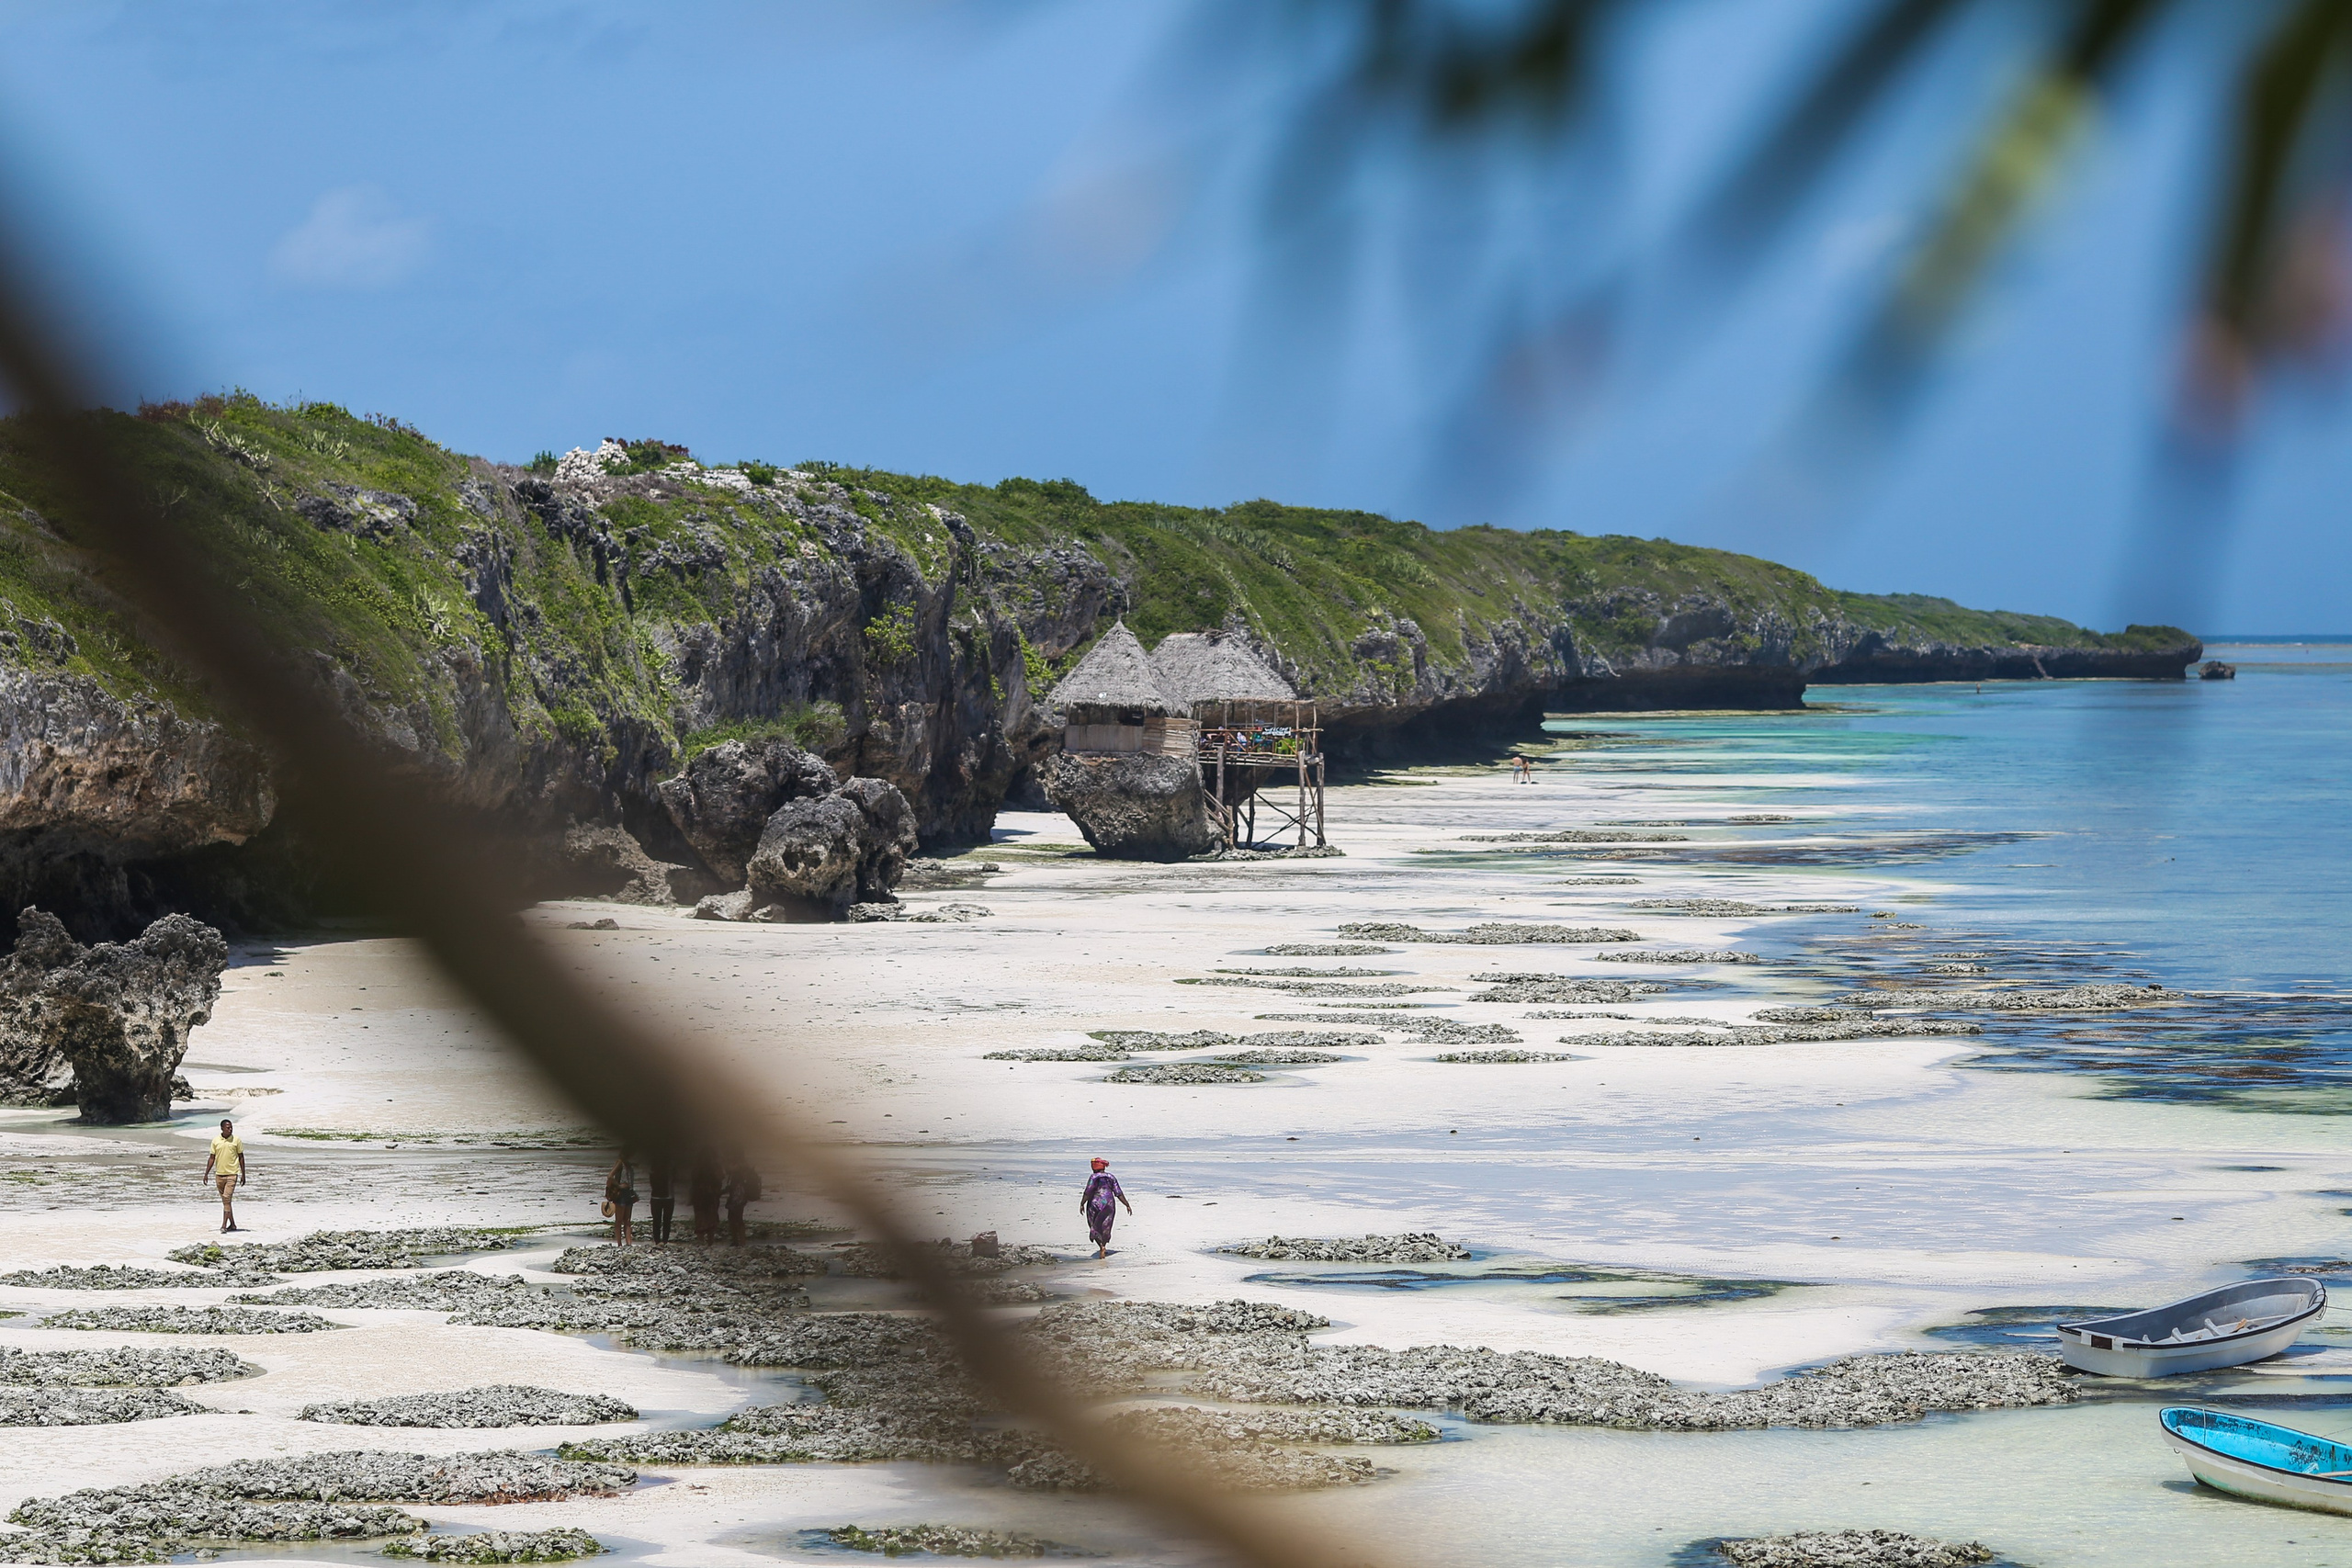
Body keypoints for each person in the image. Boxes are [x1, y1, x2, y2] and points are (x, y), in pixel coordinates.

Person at [201, 1118, 248, 1233]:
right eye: (228, 1127)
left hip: (232, 1174)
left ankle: (223, 1226)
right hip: (219, 1175)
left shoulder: (236, 1140)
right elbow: (212, 1158)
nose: (230, 1129)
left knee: (227, 1199)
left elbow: (241, 1157)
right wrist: (206, 1173)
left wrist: (243, 1174)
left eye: (231, 1127)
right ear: (222, 1128)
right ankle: (232, 1224)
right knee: (226, 1202)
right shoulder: (216, 1141)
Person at [1080, 1156, 1132, 1258]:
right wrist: (1127, 1204)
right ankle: (1104, 1245)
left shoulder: (1093, 1177)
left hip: (1095, 1203)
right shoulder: (1111, 1177)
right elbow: (1118, 1193)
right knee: (1106, 1225)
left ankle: (1101, 1246)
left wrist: (1082, 1203)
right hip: (1109, 1203)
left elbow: (1088, 1192)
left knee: (1093, 1224)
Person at [722, 1149, 762, 1247]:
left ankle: (740, 1241)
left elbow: (729, 1170)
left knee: (737, 1218)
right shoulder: (742, 1164)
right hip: (738, 1194)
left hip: (738, 1194)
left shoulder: (740, 1164)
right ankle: (738, 1241)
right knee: (733, 1217)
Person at [605, 1148, 639, 1246]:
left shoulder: (627, 1163)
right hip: (621, 1193)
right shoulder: (620, 1162)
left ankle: (629, 1243)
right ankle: (620, 1243)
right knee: (620, 1220)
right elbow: (610, 1176)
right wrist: (619, 1185)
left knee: (627, 1220)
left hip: (629, 1192)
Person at [688, 1150, 723, 1245]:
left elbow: (693, 1180)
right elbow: (720, 1180)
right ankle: (710, 1242)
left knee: (700, 1219)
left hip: (699, 1196)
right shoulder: (715, 1167)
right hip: (711, 1196)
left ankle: (701, 1242)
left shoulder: (697, 1167)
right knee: (711, 1220)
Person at [646, 1152, 676, 1245]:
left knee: (656, 1220)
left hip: (656, 1197)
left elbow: (652, 1185)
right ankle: (665, 1240)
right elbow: (674, 1181)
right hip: (668, 1197)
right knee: (667, 1220)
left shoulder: (653, 1172)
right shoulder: (670, 1171)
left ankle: (657, 1241)